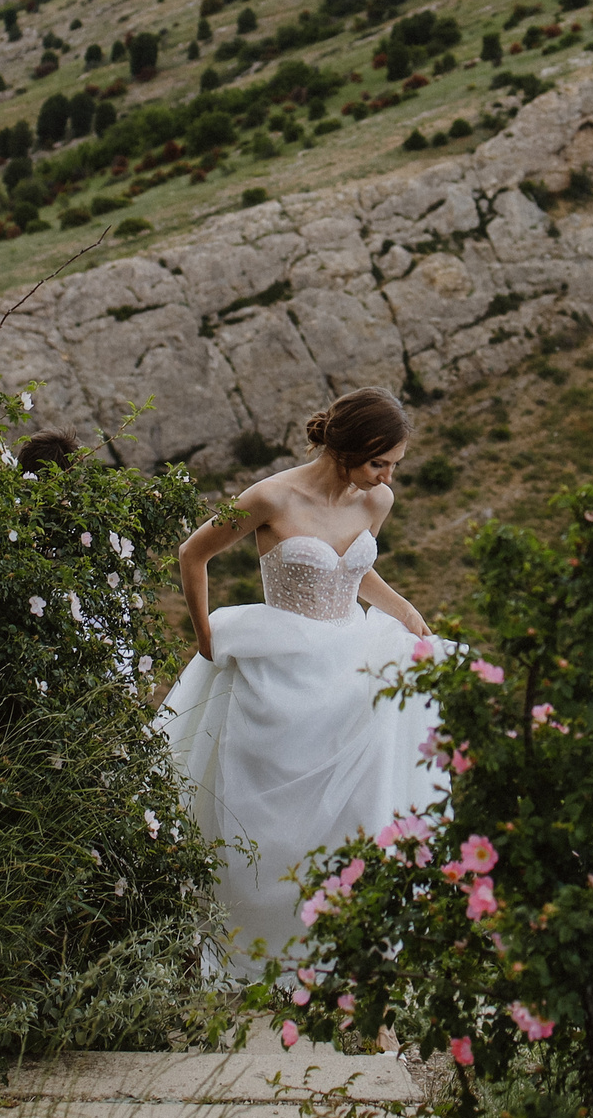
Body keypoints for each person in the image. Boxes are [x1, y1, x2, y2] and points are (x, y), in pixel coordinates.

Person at [161, 386, 443, 964]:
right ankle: (251, 940)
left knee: (360, 805)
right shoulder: (271, 496)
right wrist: (204, 636)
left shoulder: (375, 503)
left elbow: (352, 568)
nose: (387, 478)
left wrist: (406, 612)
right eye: (379, 463)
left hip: (348, 659)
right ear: (347, 448)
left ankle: (345, 953)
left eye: (394, 465)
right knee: (259, 816)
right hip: (279, 666)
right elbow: (193, 554)